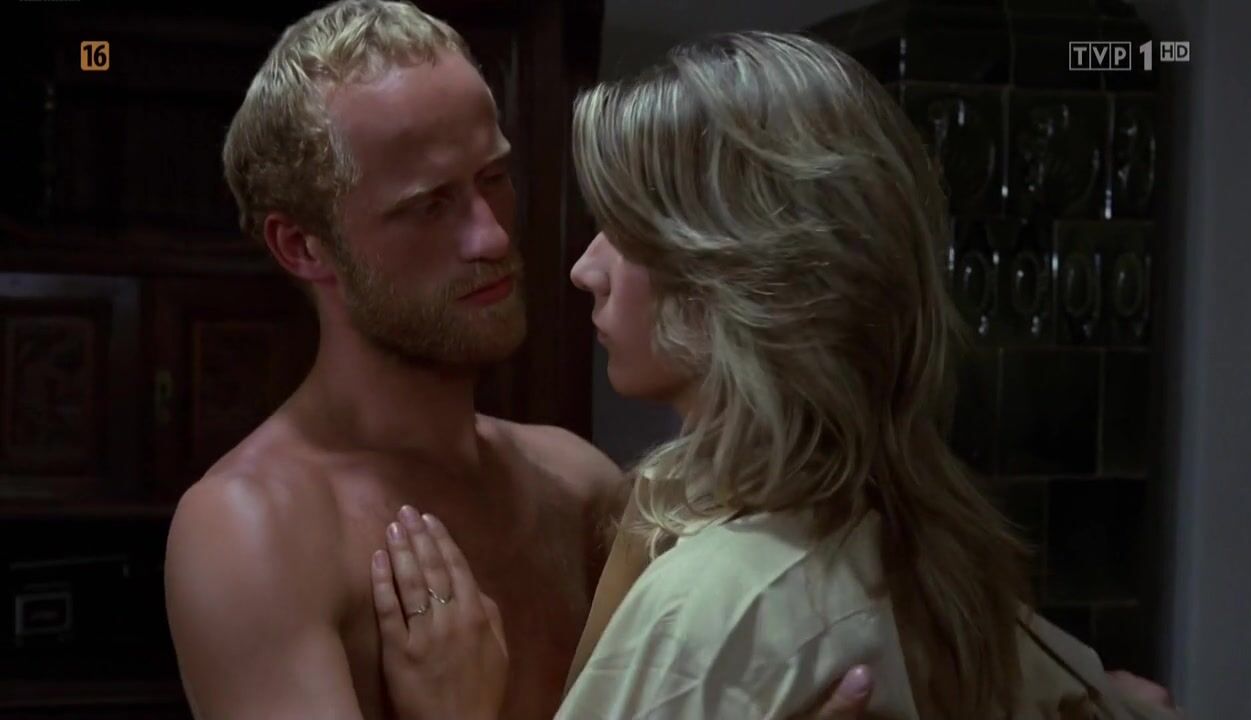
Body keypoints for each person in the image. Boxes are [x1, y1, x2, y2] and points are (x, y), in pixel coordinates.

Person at [370, 31, 1185, 720]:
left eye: (624, 230)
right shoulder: (927, 548)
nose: (586, 269)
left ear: (733, 274)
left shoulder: (716, 607)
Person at [163, 2, 868, 719]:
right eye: (430, 204)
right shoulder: (254, 531)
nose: (493, 237)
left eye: (494, 177)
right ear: (303, 246)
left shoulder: (577, 483)